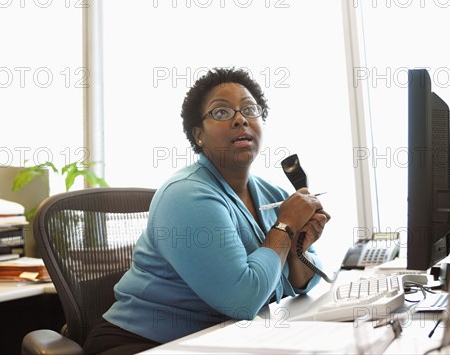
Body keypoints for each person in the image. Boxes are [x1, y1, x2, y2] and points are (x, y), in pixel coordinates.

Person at [83, 67, 330, 354]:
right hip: (144, 344)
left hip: (221, 342)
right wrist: (286, 226)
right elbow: (243, 300)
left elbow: (298, 284)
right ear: (198, 135)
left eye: (249, 110)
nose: (240, 119)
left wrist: (298, 245)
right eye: (222, 113)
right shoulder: (186, 195)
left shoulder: (271, 193)